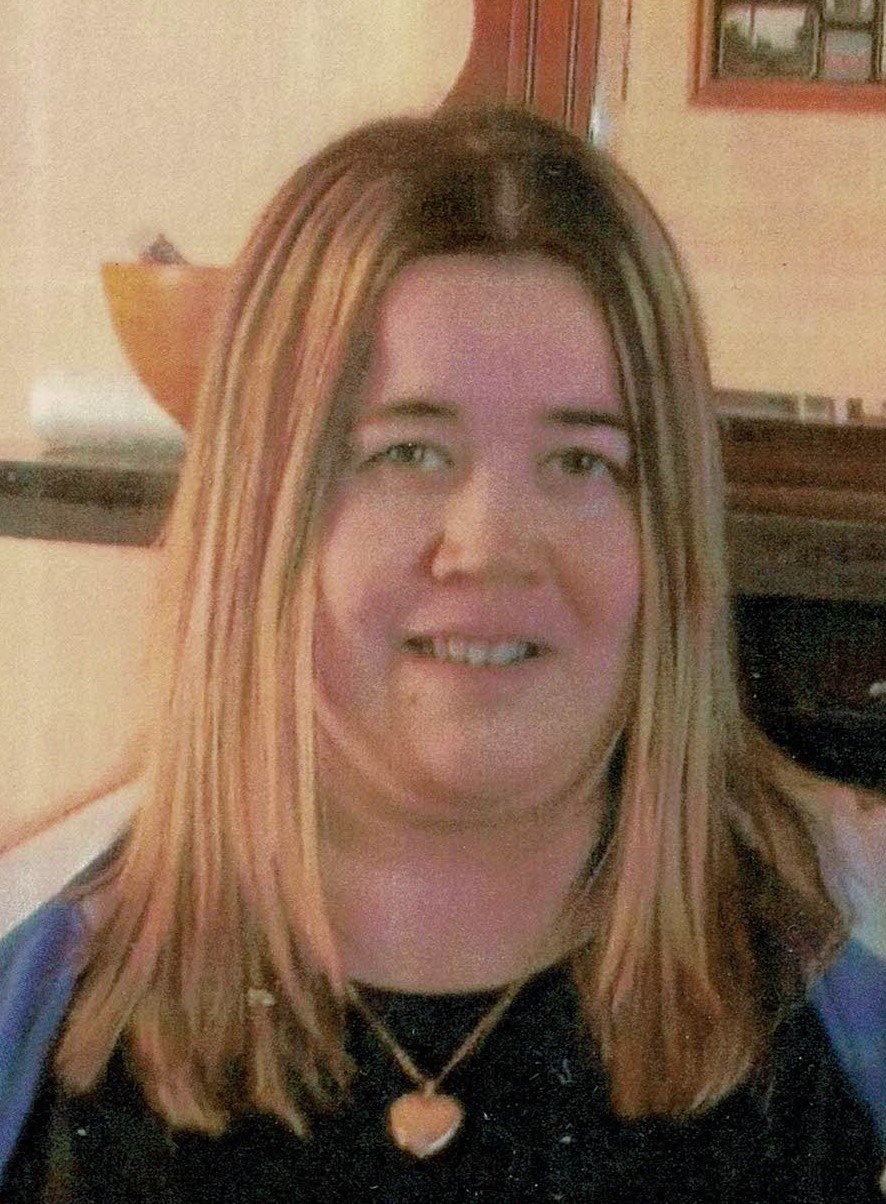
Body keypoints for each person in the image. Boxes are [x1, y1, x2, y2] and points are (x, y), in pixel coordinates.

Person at [1, 105, 883, 1202]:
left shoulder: (851, 969)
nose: (492, 545)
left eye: (582, 463)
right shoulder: (27, 977)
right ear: (259, 516)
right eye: (407, 453)